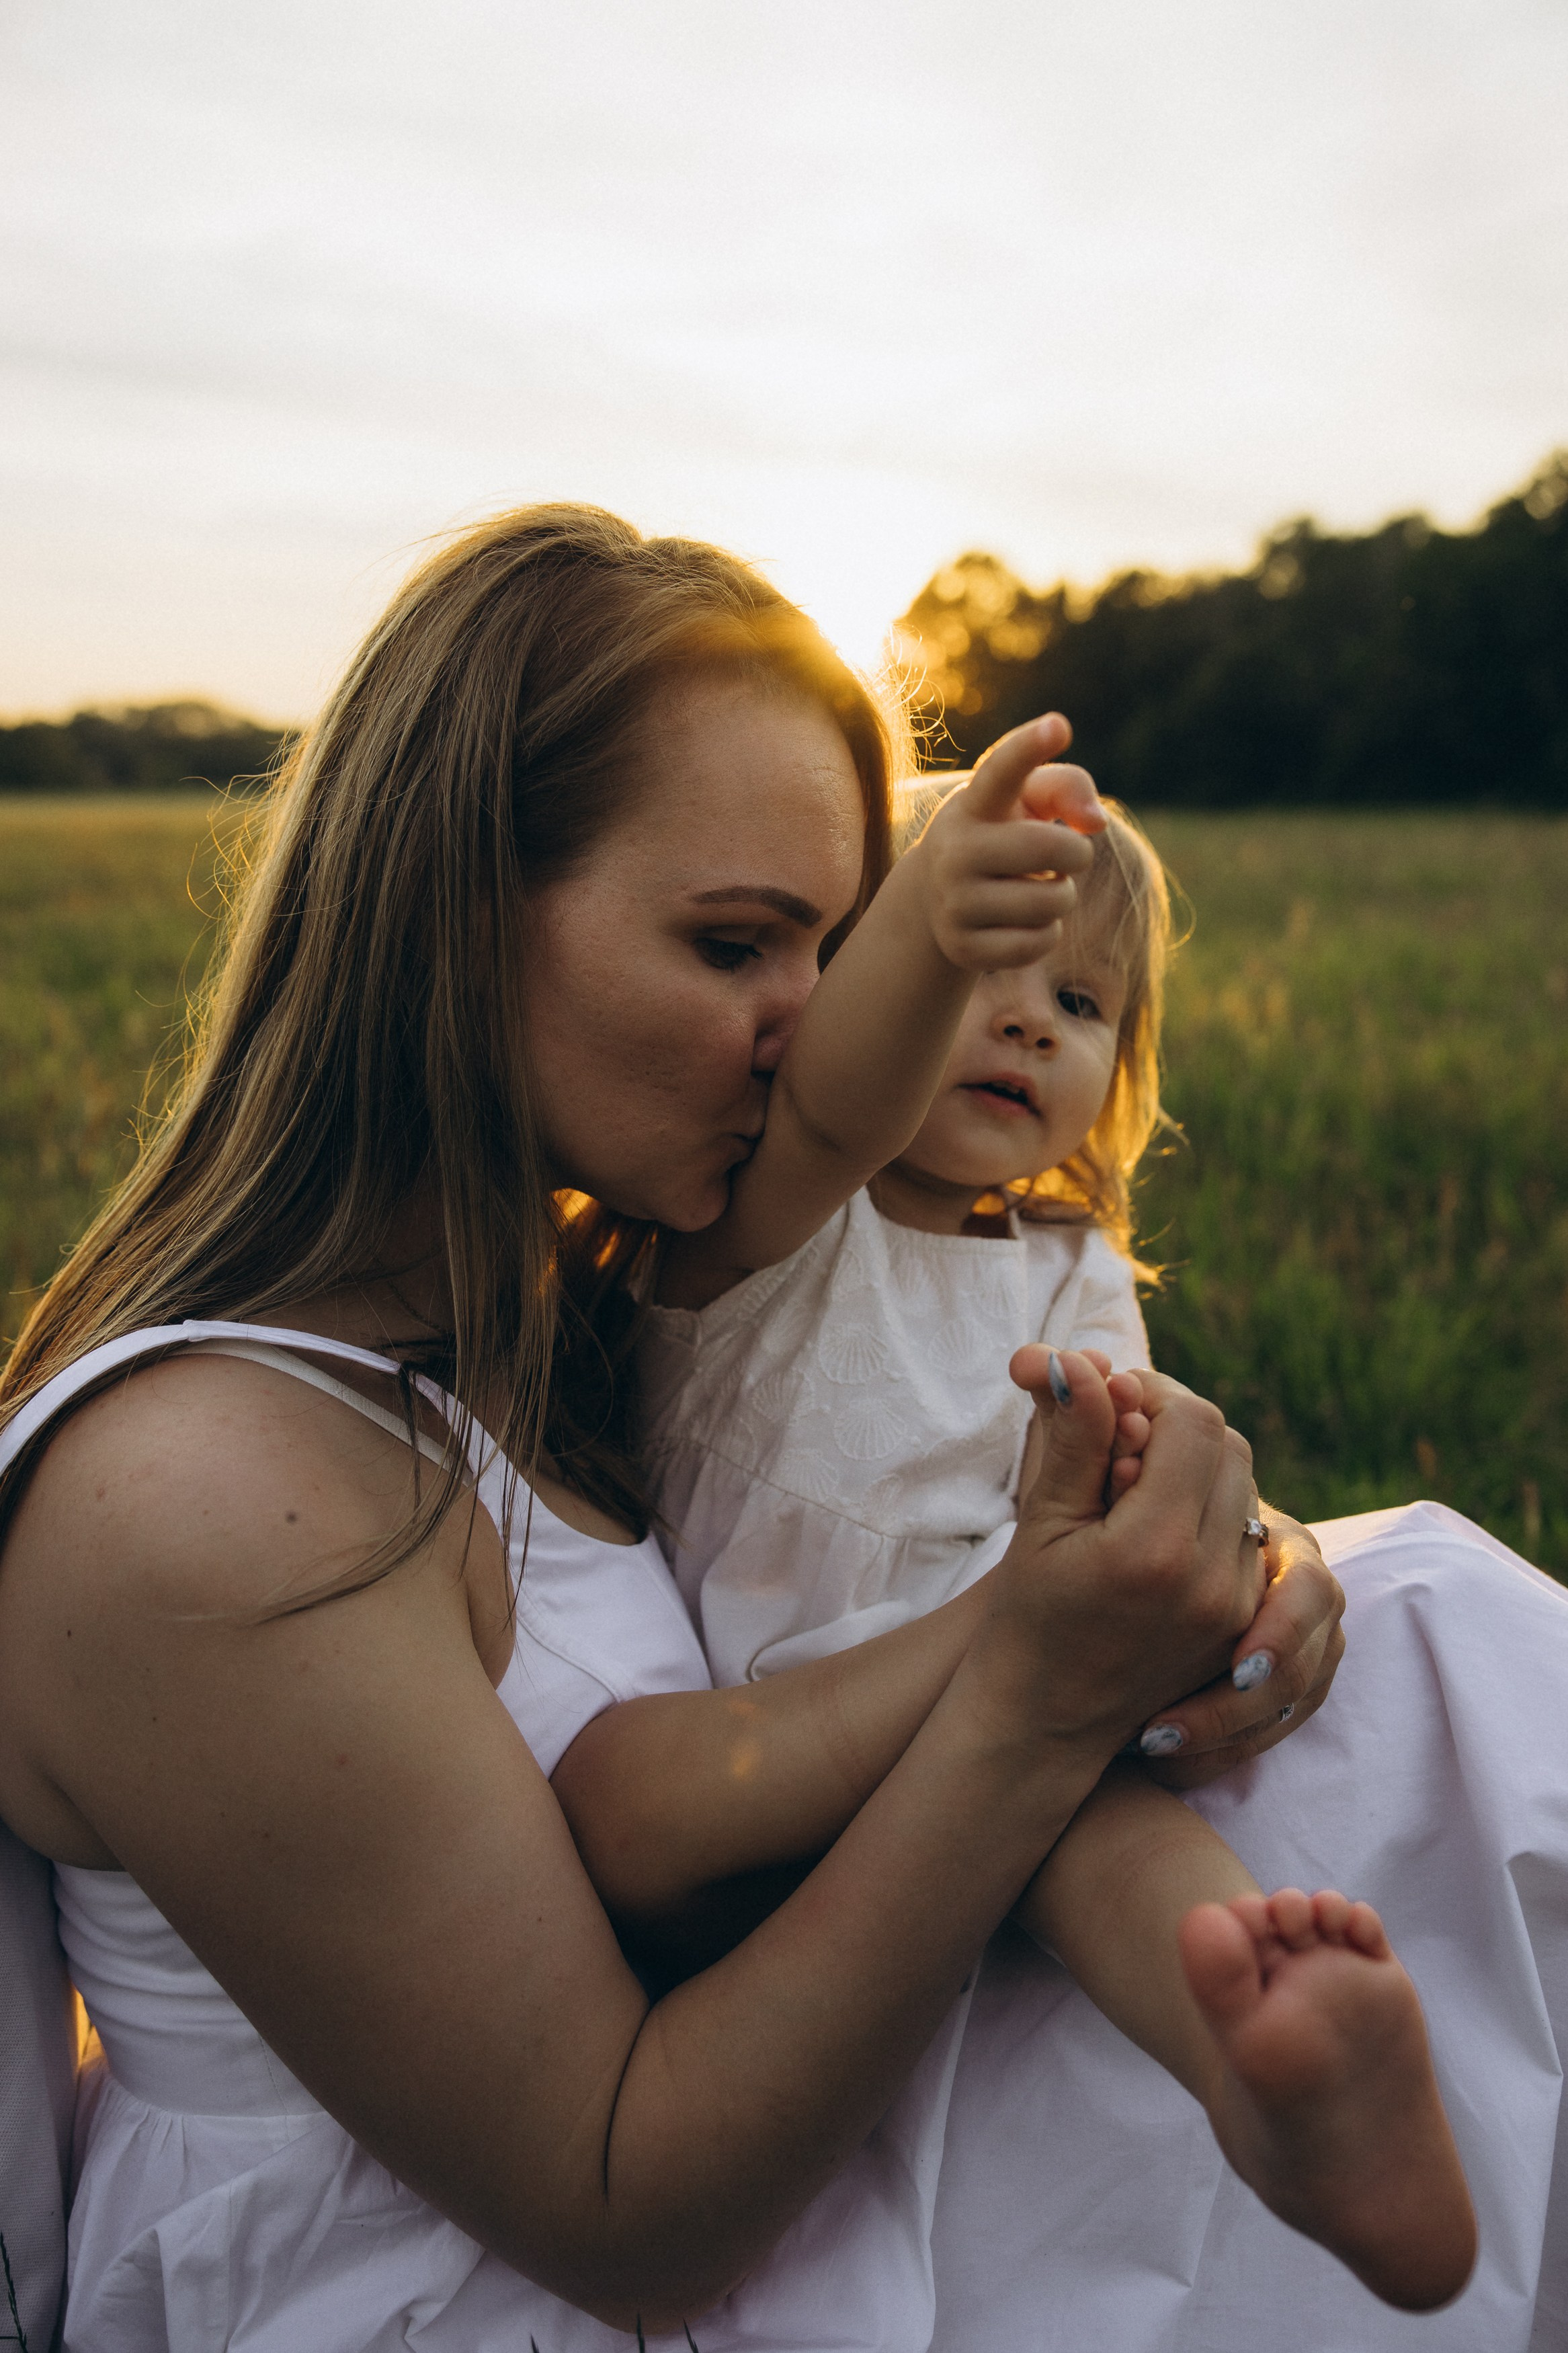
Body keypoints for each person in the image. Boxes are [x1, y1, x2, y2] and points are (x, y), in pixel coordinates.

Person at [0, 508, 1347, 2352]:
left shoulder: (566, 1333)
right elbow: (620, 2204)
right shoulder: (203, 1498)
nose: (816, 1035)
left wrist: (1247, 1581)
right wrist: (1044, 1671)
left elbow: (880, 1531)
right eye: (736, 945)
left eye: (842, 948)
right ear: (456, 919)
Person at [559, 762, 1472, 2313]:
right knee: (1046, 1806)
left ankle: (1266, 2056)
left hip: (1017, 1686)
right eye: (977, 965)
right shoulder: (770, 1223)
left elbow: (1147, 1478)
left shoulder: (1072, 1268)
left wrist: (1237, 1553)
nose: (1033, 1017)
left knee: (1102, 1841)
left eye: (1082, 997)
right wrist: (930, 906)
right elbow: (844, 1091)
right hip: (794, 1729)